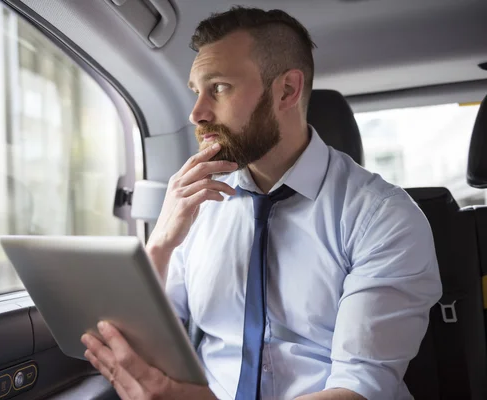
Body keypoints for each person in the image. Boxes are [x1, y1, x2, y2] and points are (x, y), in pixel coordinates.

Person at [80, 6, 442, 400]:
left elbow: (360, 389)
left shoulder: (383, 217)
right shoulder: (197, 208)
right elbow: (134, 340)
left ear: (286, 90)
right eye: (196, 91)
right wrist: (161, 243)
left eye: (218, 88)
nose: (197, 113)